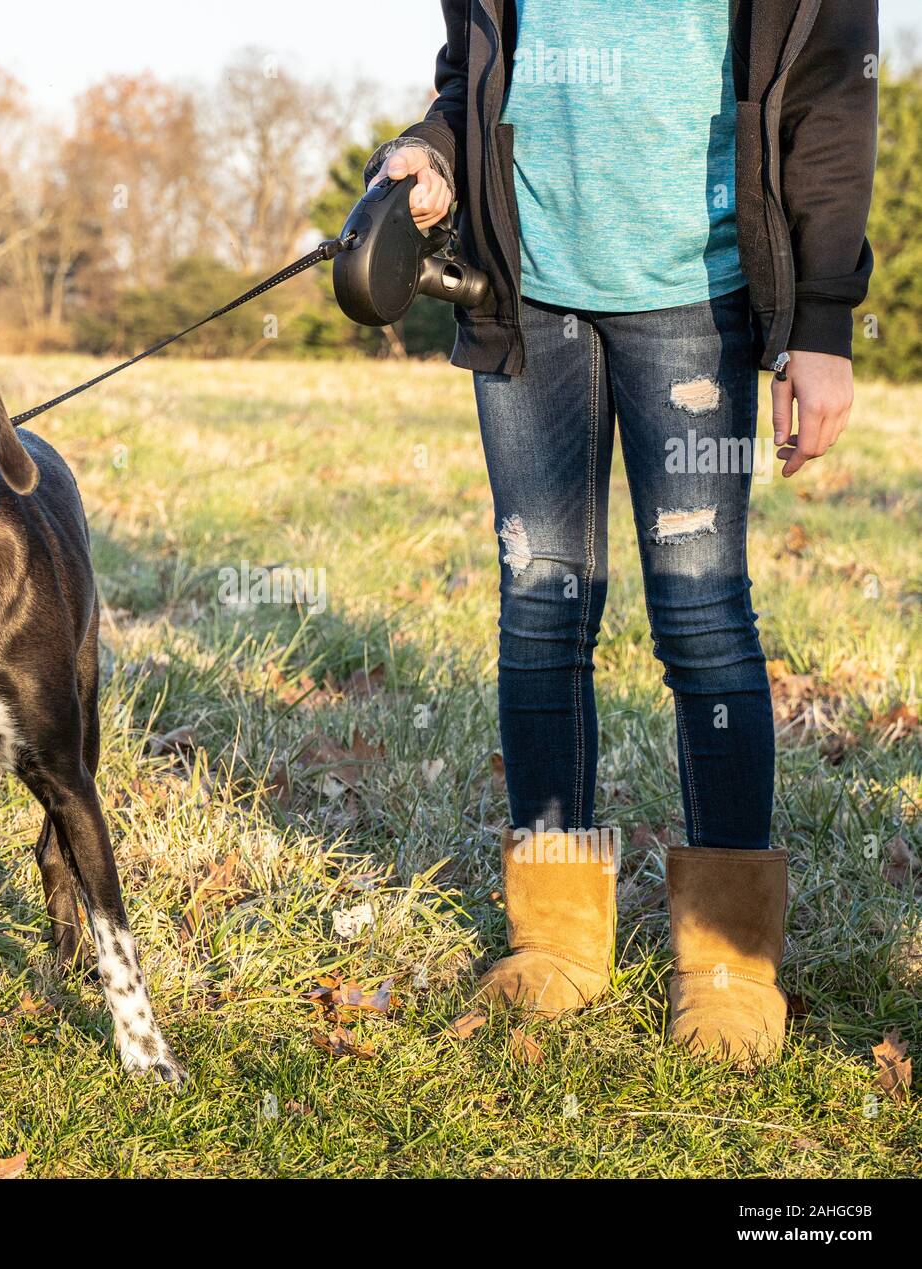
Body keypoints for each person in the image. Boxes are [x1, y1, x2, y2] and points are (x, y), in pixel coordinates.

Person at [367, 0, 877, 1064]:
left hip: (698, 295)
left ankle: (730, 961)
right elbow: (472, 81)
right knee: (541, 605)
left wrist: (820, 322)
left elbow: (828, 97)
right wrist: (428, 151)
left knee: (701, 616)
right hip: (526, 299)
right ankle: (554, 940)